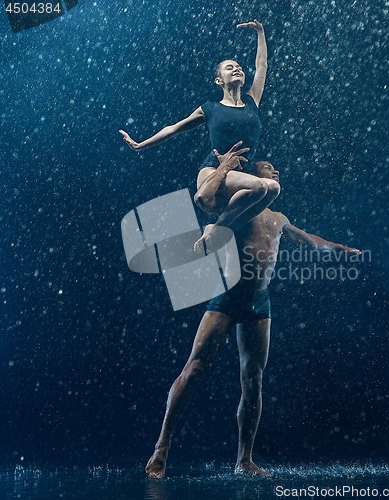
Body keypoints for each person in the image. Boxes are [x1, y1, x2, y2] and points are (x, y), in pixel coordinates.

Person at [145, 150, 361, 478]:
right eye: (267, 168)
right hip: (228, 297)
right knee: (195, 367)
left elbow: (309, 240)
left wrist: (339, 249)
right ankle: (161, 449)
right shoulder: (239, 206)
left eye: (275, 169)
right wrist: (223, 170)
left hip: (260, 305)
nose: (275, 172)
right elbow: (206, 204)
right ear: (253, 177)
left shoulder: (279, 218)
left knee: (254, 379)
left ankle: (244, 460)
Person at [119, 20, 280, 249]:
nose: (237, 69)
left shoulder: (252, 101)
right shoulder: (210, 109)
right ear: (219, 81)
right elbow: (173, 128)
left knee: (273, 188)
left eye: (239, 67)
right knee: (262, 187)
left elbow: (262, 66)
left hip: (239, 176)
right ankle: (217, 230)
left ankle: (218, 229)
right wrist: (140, 145)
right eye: (229, 67)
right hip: (213, 171)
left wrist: (261, 33)